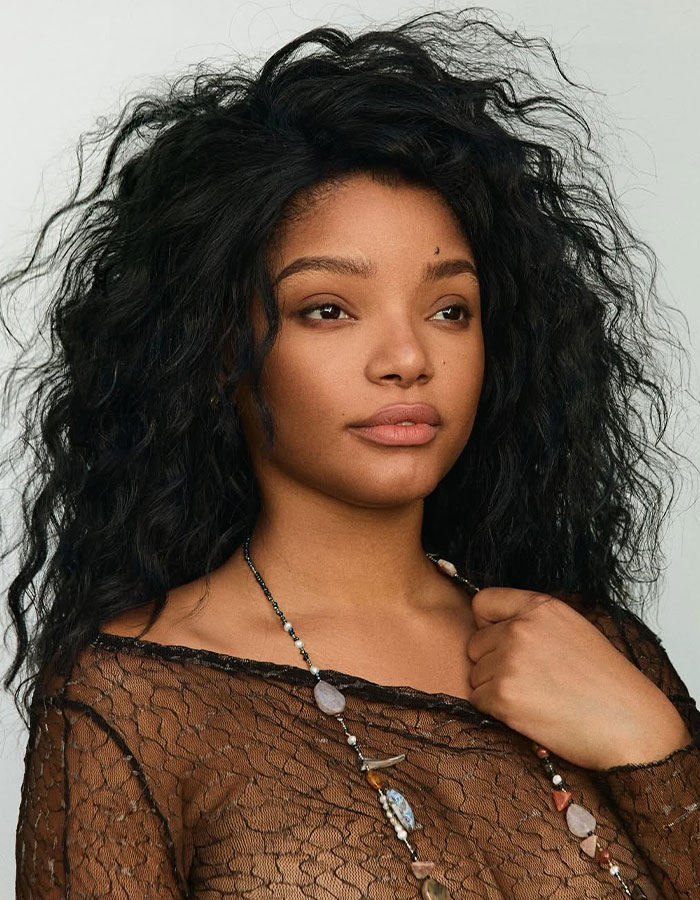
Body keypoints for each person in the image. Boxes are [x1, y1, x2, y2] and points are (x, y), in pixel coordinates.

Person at [3, 7, 699, 899]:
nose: (410, 359)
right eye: (328, 309)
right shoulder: (127, 704)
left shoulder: (597, 654)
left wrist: (655, 748)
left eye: (451, 310)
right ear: (218, 350)